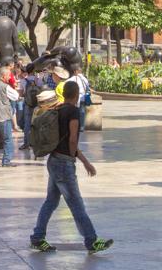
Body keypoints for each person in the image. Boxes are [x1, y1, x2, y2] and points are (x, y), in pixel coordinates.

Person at [29, 81, 112, 254]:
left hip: (54, 160)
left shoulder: (58, 109)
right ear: (76, 95)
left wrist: (84, 161)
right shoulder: (73, 111)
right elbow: (72, 139)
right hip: (64, 164)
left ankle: (37, 238)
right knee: (76, 204)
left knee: (51, 201)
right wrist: (76, 160)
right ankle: (92, 240)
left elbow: (66, 140)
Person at [19, 69, 42, 150]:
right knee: (37, 124)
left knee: (27, 125)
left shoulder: (23, 81)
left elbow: (21, 94)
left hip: (27, 105)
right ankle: (37, 143)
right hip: (37, 105)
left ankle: (26, 144)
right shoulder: (38, 80)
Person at [66, 66, 91, 133]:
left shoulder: (73, 78)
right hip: (83, 97)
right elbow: (88, 88)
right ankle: (82, 127)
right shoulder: (85, 79)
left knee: (75, 112)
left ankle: (75, 126)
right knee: (82, 112)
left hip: (75, 98)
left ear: (75, 71)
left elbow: (66, 83)